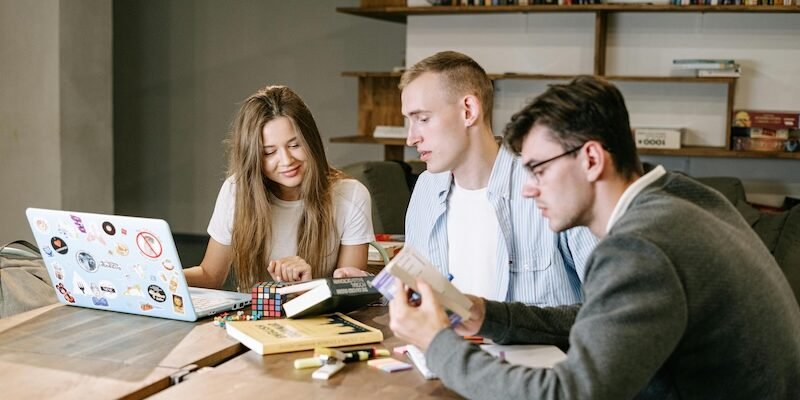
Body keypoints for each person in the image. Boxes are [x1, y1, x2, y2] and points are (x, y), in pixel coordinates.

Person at [388, 76, 800, 399]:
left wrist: (437, 343)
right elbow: (604, 318)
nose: (528, 189)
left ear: (590, 159)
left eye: (539, 169)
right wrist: (490, 315)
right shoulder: (681, 197)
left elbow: (570, 394)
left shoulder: (640, 246)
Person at [401, 51, 596, 304]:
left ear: (468, 111)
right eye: (409, 122)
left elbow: (610, 306)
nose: (411, 138)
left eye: (423, 119)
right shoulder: (426, 187)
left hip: (541, 344)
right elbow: (415, 294)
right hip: (446, 342)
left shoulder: (551, 184)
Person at [184, 85, 374, 291]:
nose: (286, 160)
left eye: (295, 145)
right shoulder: (236, 190)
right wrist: (164, 276)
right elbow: (210, 275)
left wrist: (308, 287)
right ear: (253, 158)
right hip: (251, 319)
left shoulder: (351, 195)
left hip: (318, 320)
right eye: (269, 152)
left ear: (311, 141)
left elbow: (350, 291)